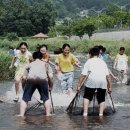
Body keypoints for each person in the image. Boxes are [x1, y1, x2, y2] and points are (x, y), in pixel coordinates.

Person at [77, 47, 112, 117]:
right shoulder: (103, 62)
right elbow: (108, 76)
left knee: (87, 96)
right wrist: (110, 87)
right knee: (101, 99)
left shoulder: (89, 61)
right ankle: (101, 114)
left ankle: (85, 113)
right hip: (102, 82)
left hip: (92, 81)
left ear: (90, 54)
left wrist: (78, 85)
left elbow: (83, 75)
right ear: (99, 54)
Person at [19, 51, 53, 117]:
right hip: (43, 80)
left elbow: (23, 78)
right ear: (41, 57)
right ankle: (48, 114)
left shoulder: (29, 64)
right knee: (46, 98)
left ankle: (21, 115)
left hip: (31, 80)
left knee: (25, 99)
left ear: (33, 57)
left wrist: (23, 87)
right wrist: (50, 87)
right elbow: (51, 77)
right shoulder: (46, 64)